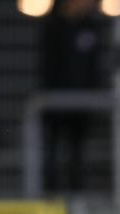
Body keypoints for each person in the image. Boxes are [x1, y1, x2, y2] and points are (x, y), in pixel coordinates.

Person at [40, 0, 107, 192]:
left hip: (82, 102)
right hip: (56, 101)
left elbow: (94, 65)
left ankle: (76, 193)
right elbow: (49, 64)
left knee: (77, 150)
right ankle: (50, 194)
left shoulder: (91, 27)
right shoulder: (53, 26)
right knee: (52, 149)